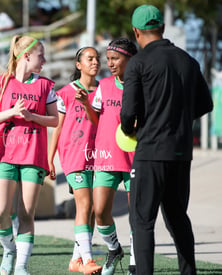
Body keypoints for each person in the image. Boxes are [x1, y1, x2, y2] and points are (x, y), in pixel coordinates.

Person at [120, 5, 213, 275]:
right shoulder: (188, 60)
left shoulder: (138, 62)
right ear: (161, 28)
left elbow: (128, 113)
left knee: (142, 221)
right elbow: (205, 104)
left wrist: (131, 129)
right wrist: (180, 119)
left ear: (136, 32)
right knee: (177, 218)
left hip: (150, 151)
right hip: (181, 152)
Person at [0, 35, 58, 275]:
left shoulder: (45, 85)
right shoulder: (0, 83)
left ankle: (22, 267)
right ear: (26, 56)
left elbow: (55, 120)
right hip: (4, 154)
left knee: (27, 213)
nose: (44, 60)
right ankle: (9, 249)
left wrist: (33, 117)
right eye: (41, 55)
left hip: (32, 155)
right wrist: (12, 112)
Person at [76, 38, 138, 275]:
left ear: (129, 59)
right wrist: (86, 105)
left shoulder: (142, 85)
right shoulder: (104, 85)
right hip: (106, 155)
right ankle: (114, 248)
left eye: (115, 59)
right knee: (100, 211)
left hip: (135, 157)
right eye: (108, 59)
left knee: (136, 214)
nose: (109, 64)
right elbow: (97, 120)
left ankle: (135, 261)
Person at [48, 46, 102, 274]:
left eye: (97, 58)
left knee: (92, 211)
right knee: (85, 204)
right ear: (78, 65)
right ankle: (88, 261)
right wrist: (49, 159)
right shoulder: (65, 93)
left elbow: (101, 124)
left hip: (98, 157)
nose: (95, 62)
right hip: (73, 156)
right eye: (90, 58)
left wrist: (88, 104)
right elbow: (57, 127)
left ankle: (76, 260)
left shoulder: (103, 90)